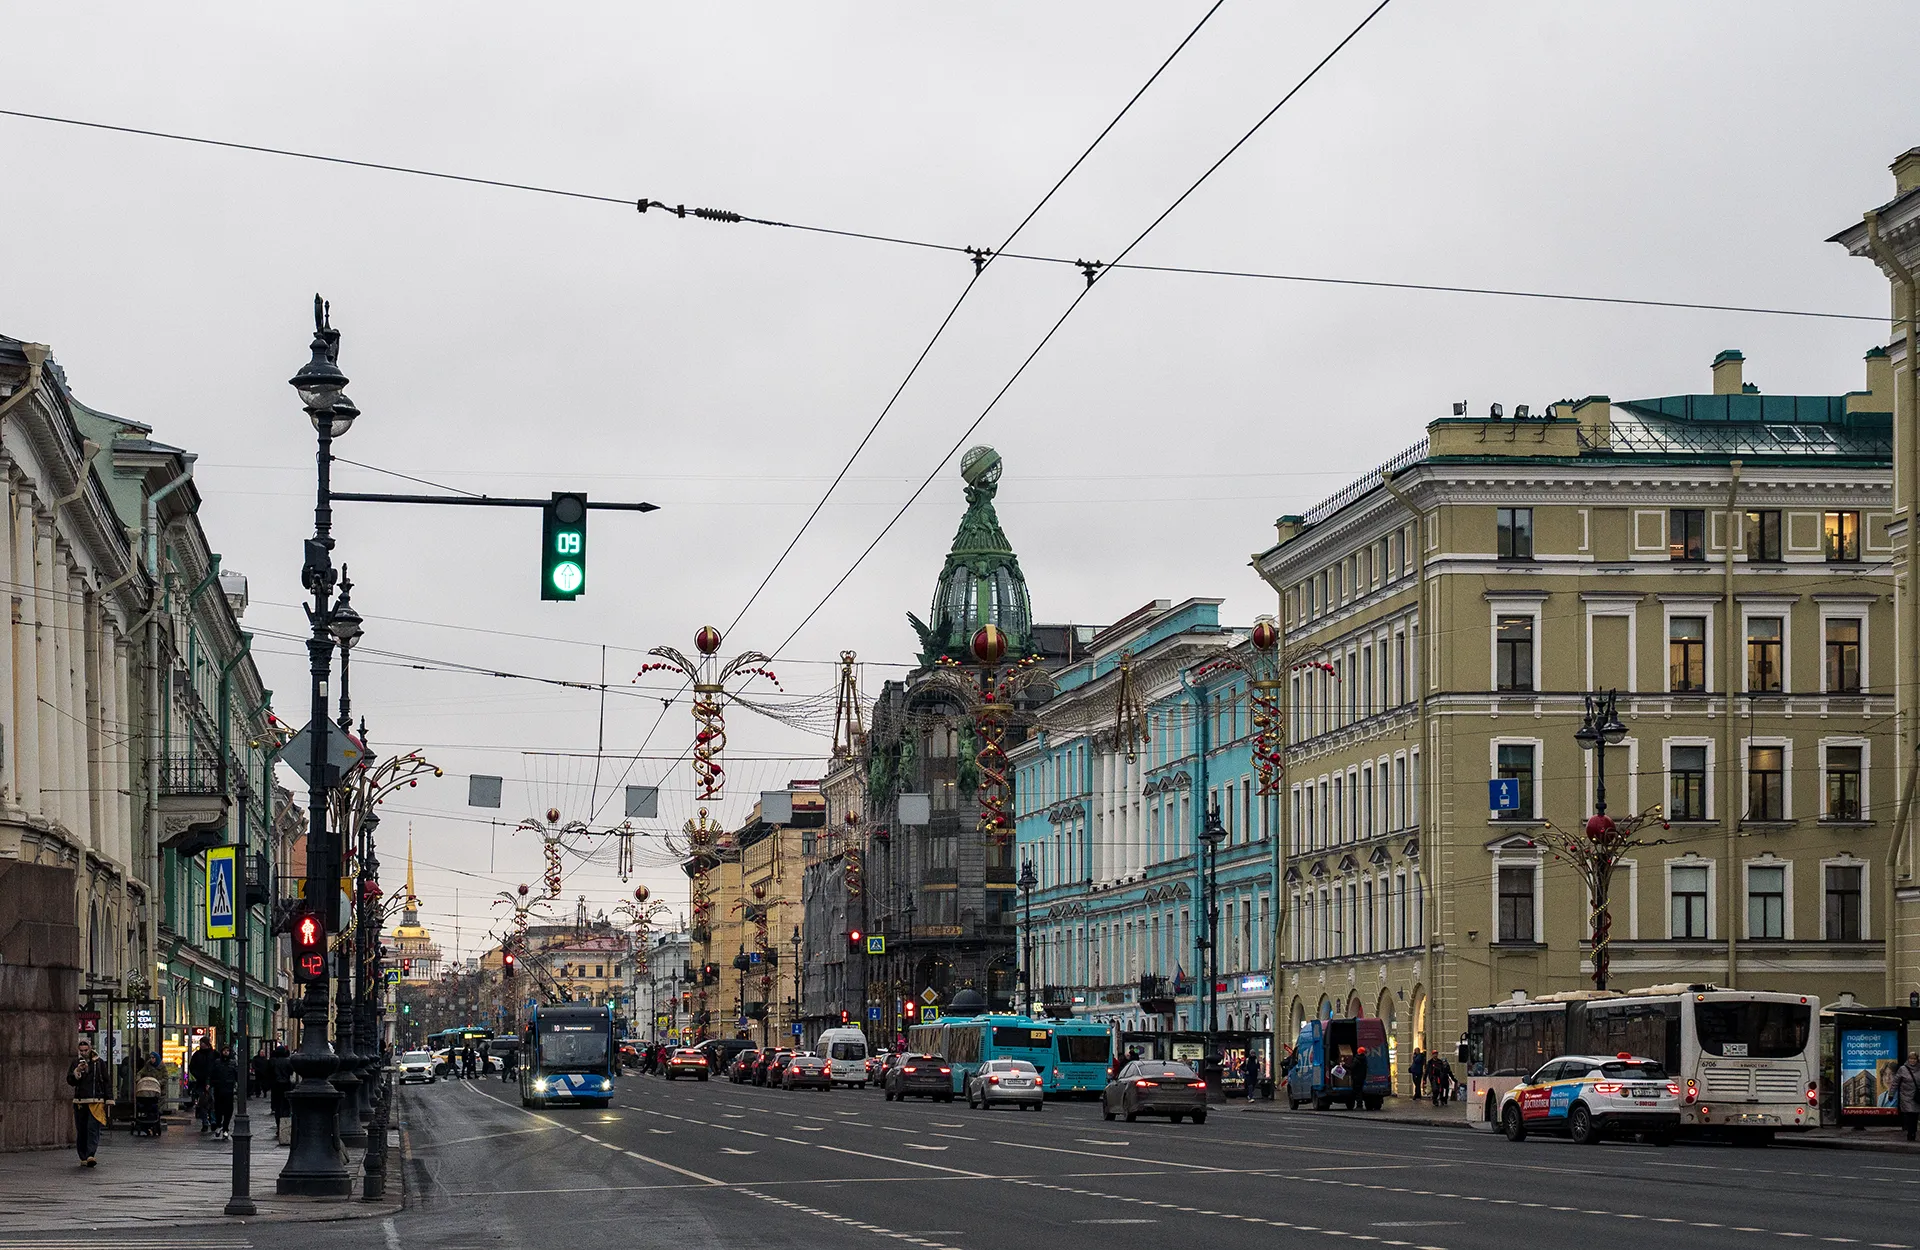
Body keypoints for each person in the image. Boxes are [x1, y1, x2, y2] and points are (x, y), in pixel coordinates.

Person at [66, 1038, 110, 1167]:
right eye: (81, 1051)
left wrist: (108, 1098)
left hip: (95, 1100)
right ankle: (83, 1156)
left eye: (86, 1050)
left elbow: (106, 1080)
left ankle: (91, 1154)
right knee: (82, 1129)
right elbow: (70, 1081)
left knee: (92, 1128)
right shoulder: (76, 1063)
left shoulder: (99, 1063)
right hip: (80, 1100)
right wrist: (77, 1072)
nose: (84, 1053)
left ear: (90, 1049)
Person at [187, 1035, 217, 1133]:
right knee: (203, 1103)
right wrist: (198, 1076)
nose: (201, 1045)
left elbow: (218, 1067)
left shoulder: (214, 1054)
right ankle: (205, 1122)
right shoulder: (197, 1054)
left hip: (212, 1082)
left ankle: (213, 1121)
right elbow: (192, 1067)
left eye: (203, 1043)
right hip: (200, 1082)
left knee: (211, 1102)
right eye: (201, 1043)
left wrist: (212, 1079)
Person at [209, 1047, 239, 1140]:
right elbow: (212, 1074)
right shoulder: (217, 1062)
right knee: (218, 1109)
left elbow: (237, 1075)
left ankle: (225, 1128)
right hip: (218, 1089)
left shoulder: (233, 1063)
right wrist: (210, 1084)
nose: (226, 1052)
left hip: (229, 1089)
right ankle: (219, 1125)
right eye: (224, 1050)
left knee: (228, 1110)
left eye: (227, 1051)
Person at [1892, 1051, 1920, 1142]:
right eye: (1911, 1059)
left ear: (1917, 1060)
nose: (1912, 1061)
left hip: (1916, 1096)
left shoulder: (1919, 1068)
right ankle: (1910, 1133)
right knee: (1909, 1114)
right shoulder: (1903, 1069)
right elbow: (1895, 1082)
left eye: (1914, 1059)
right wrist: (1891, 1093)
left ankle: (1913, 1132)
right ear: (1908, 1059)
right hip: (1906, 1095)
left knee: (1915, 1115)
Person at [269, 1044, 294, 1141]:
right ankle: (285, 1125)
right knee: (286, 1106)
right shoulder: (288, 1061)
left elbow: (269, 1072)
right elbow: (291, 1072)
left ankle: (278, 1125)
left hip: (276, 1085)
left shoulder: (273, 1061)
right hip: (286, 1085)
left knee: (277, 1106)